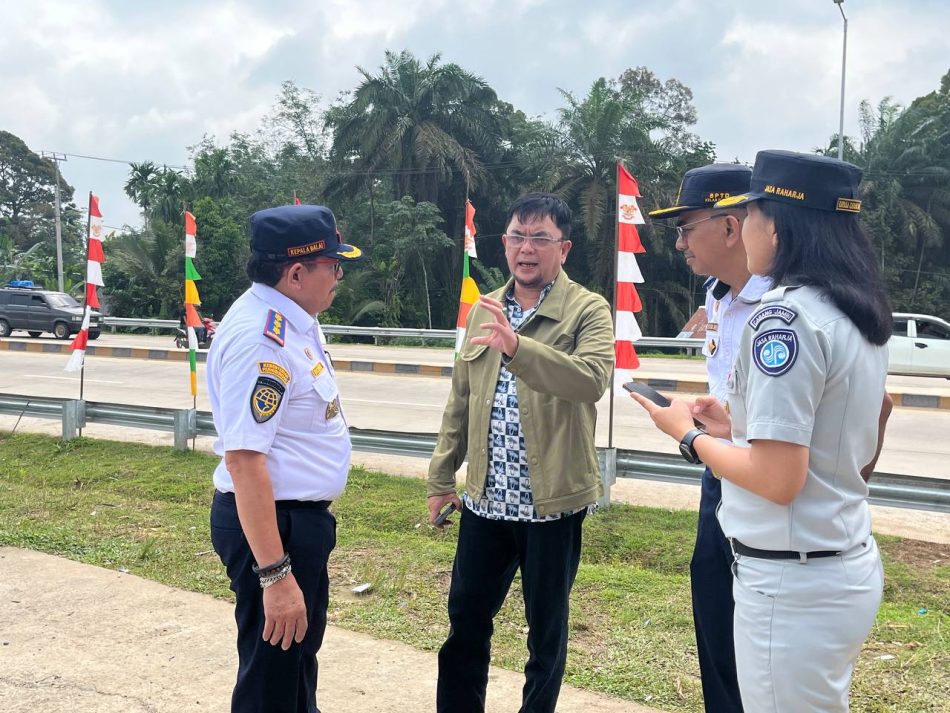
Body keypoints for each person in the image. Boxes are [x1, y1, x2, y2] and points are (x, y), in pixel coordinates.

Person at [631, 150, 892, 712]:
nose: (746, 226)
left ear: (776, 222)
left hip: (791, 583)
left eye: (751, 213)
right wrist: (738, 427)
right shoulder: (854, 308)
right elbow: (854, 432)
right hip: (836, 562)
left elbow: (778, 481)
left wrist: (687, 435)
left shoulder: (784, 317)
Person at [426, 192, 614, 713]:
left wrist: (517, 347)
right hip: (485, 503)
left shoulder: (587, 310)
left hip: (551, 506)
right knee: (465, 623)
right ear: (504, 243)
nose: (525, 249)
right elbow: (460, 400)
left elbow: (591, 381)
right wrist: (442, 478)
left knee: (545, 635)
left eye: (539, 238)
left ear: (564, 248)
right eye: (516, 236)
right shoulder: (484, 309)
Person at [207, 204, 362, 713]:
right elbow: (245, 461)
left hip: (294, 523)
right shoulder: (262, 338)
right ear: (296, 273)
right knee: (270, 683)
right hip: (275, 529)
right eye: (333, 265)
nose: (338, 276)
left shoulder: (292, 321)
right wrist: (274, 575)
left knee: (294, 667)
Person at [648, 163, 767, 713]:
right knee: (714, 617)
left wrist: (692, 436)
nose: (678, 243)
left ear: (729, 228)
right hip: (720, 475)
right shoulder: (717, 296)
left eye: (686, 227)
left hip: (767, 485)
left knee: (763, 642)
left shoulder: (787, 305)